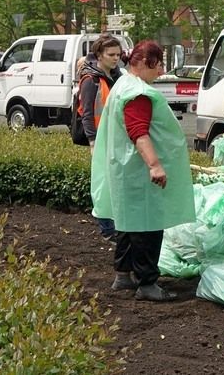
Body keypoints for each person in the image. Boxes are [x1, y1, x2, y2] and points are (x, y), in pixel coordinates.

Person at [90, 40, 196, 301]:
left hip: (126, 171)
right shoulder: (137, 93)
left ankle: (123, 275)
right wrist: (155, 165)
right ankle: (148, 283)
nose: (160, 72)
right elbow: (139, 132)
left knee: (127, 223)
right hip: (139, 172)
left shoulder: (122, 85)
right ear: (146, 63)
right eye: (158, 65)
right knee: (148, 227)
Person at [78, 35, 123, 241]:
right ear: (99, 55)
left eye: (118, 54)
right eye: (111, 55)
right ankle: (107, 229)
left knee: (114, 182)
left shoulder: (116, 75)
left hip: (114, 137)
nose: (116, 58)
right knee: (104, 184)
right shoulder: (91, 79)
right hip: (101, 139)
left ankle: (114, 225)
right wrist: (93, 142)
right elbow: (87, 112)